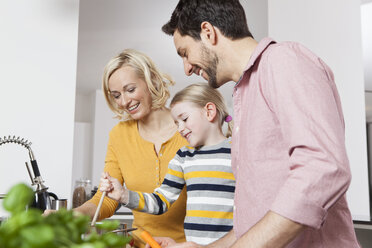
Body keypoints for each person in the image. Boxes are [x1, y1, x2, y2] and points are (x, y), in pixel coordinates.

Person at [159, 0, 361, 247]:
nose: (187, 68)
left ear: (208, 33)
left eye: (185, 53)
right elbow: (255, 224)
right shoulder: (244, 94)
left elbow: (323, 168)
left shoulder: (283, 60)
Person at [69, 49, 189, 247]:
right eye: (116, 95)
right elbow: (106, 199)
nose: (124, 102)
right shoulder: (119, 135)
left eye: (130, 90)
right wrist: (73, 215)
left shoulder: (189, 130)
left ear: (151, 80)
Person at [99, 83, 235, 245]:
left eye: (184, 119)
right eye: (176, 123)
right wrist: (124, 195)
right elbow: (161, 201)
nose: (180, 128)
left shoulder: (238, 152)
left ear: (209, 111)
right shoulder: (183, 157)